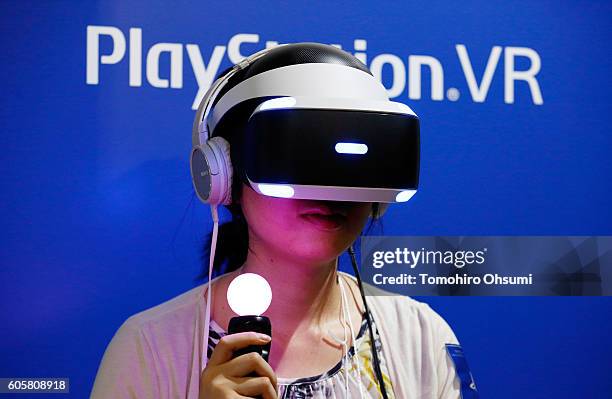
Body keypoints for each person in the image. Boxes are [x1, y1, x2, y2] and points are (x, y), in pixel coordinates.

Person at [91, 43, 465, 399]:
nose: (327, 190)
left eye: (353, 163)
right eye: (298, 156)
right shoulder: (151, 348)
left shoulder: (419, 338)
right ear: (225, 174)